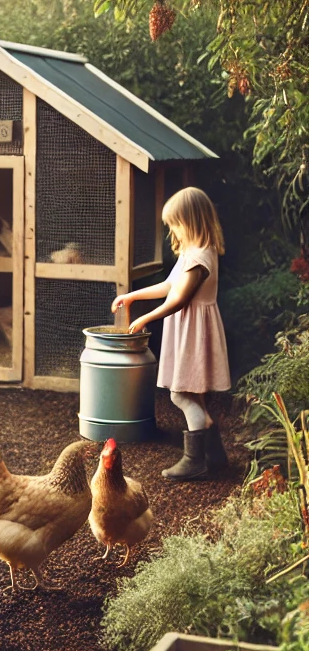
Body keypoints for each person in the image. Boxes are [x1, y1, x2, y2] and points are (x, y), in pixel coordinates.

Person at [111, 186, 230, 480]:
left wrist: (147, 318)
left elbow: (180, 299)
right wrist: (132, 296)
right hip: (189, 327)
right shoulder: (194, 253)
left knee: (181, 394)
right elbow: (168, 286)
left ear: (191, 220)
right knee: (193, 396)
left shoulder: (200, 257)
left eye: (175, 224)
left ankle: (195, 460)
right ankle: (214, 455)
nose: (172, 230)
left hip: (193, 330)